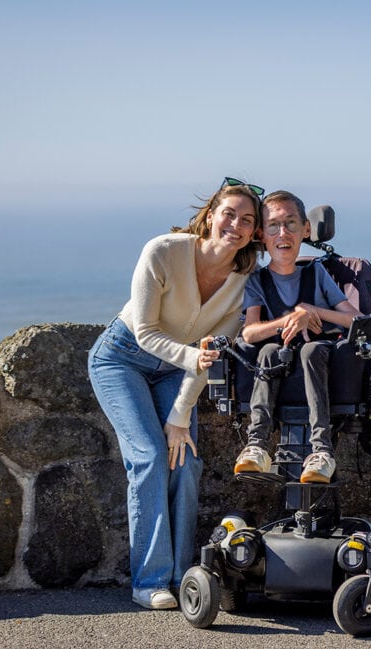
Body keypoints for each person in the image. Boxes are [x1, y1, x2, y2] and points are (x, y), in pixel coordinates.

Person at [88, 178, 264, 610]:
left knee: (183, 461)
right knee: (149, 456)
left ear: (254, 232)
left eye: (247, 220)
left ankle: (184, 577)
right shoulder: (163, 251)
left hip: (176, 371)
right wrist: (192, 359)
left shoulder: (245, 283)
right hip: (122, 358)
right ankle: (148, 582)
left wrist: (180, 416)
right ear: (210, 215)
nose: (235, 225)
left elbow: (211, 353)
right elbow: (148, 332)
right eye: (229, 213)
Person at [234, 190, 362, 484]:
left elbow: (356, 318)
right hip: (278, 364)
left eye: (292, 224)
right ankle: (256, 445)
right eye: (274, 226)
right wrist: (287, 321)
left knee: (311, 351)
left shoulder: (316, 274)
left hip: (317, 359)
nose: (283, 233)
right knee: (267, 353)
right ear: (260, 235)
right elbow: (250, 332)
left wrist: (311, 310)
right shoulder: (257, 281)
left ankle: (322, 451)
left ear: (306, 229)